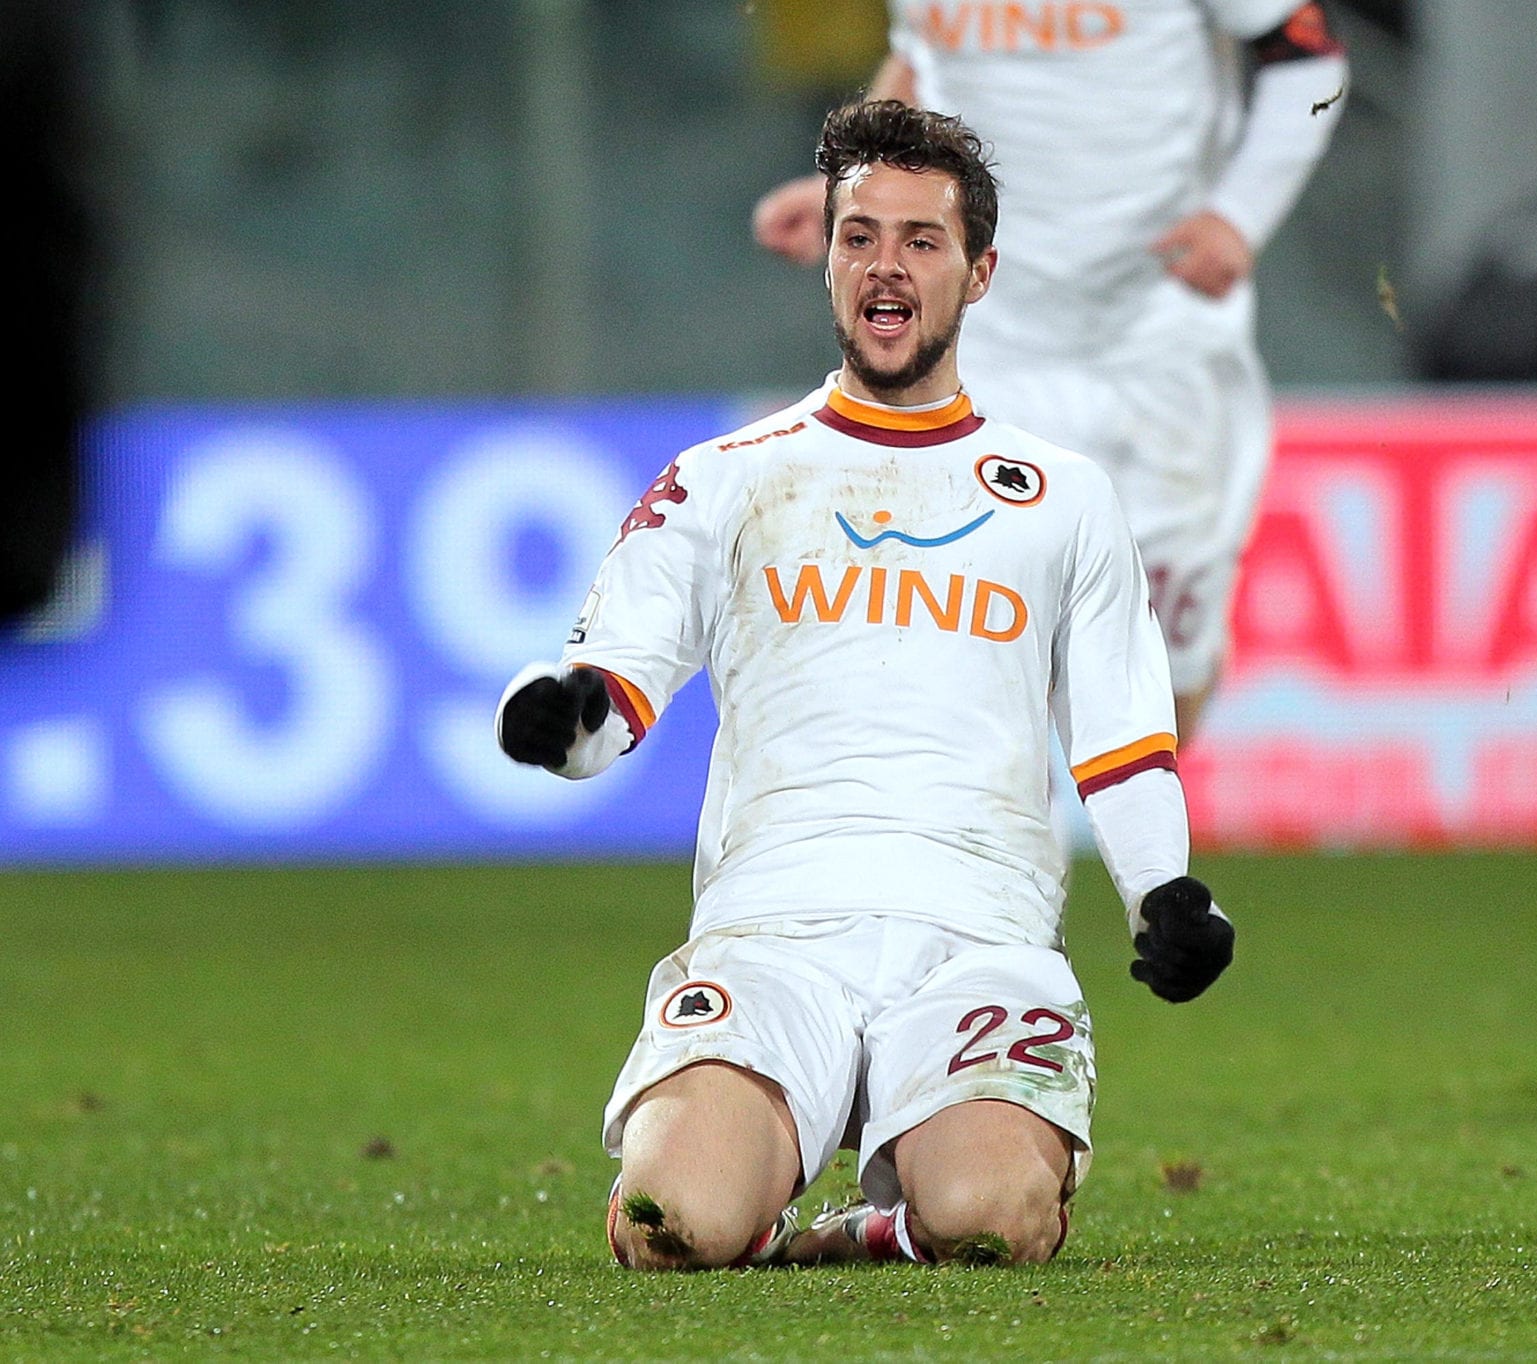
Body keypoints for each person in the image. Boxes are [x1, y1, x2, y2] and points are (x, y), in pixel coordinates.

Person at [497, 100, 1235, 1271]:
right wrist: (555, 715)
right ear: (830, 258)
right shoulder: (728, 477)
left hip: (978, 936)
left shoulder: (1062, 496)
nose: (884, 265)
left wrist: (1162, 894)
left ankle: (872, 1224)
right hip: (771, 933)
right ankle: (738, 1178)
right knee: (670, 1222)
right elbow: (609, 693)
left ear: (978, 272)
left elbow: (1119, 736)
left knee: (990, 1219)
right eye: (858, 236)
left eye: (920, 240)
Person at [751, 1, 1350, 739]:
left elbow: (1308, 55)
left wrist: (1240, 215)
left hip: (1157, 340)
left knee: (1163, 675)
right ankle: (996, 848)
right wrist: (850, 189)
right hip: (985, 333)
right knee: (959, 651)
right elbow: (923, 58)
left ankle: (1143, 834)